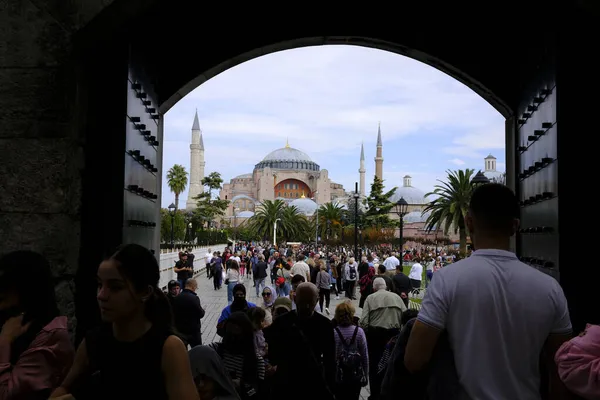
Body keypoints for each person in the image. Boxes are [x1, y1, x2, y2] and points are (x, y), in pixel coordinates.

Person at [404, 184, 573, 400]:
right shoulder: (550, 288)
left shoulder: (447, 280)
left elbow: (414, 360)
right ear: (515, 226)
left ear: (468, 222)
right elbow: (563, 369)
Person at [50, 244, 199, 400]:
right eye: (100, 285)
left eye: (115, 287)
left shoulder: (168, 348)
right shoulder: (93, 341)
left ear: (145, 292)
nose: (101, 295)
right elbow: (65, 387)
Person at [0, 250, 75, 400]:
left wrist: (4, 343)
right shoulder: (9, 320)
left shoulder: (49, 337)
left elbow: (6, 396)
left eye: (4, 283)